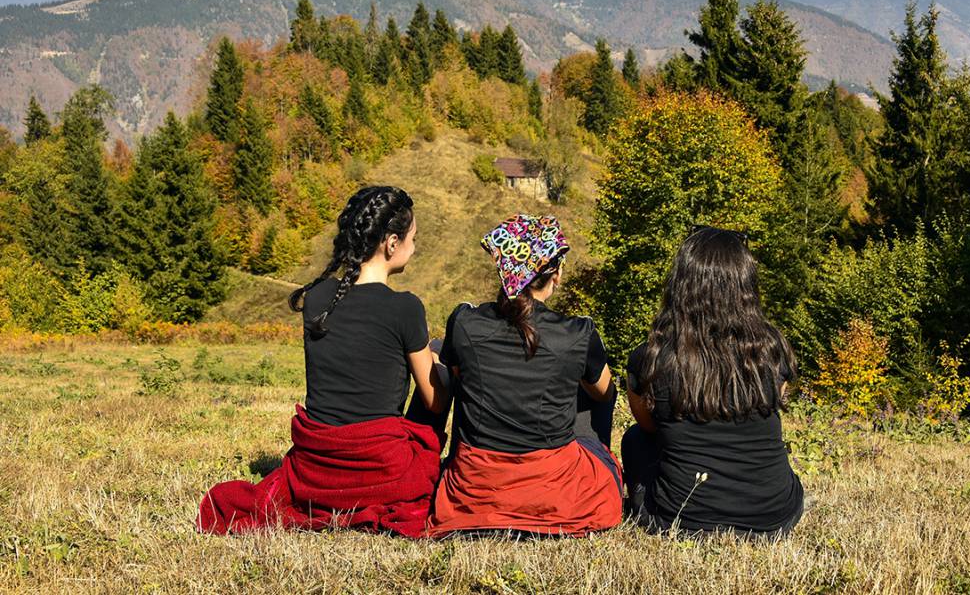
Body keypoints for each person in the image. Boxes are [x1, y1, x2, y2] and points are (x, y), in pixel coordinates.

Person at [197, 186, 450, 537]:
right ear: (392, 243)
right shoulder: (405, 307)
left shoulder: (317, 298)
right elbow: (434, 403)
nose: (414, 247)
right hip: (381, 471)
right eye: (413, 238)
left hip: (315, 472)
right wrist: (440, 361)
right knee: (440, 368)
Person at [428, 214, 622, 537]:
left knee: (468, 378)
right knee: (590, 386)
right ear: (556, 273)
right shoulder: (577, 333)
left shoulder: (464, 322)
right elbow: (605, 392)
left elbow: (459, 377)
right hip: (552, 490)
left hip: (475, 486)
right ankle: (595, 455)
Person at [622, 226, 804, 538]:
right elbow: (774, 400)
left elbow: (650, 426)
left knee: (635, 439)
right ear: (746, 285)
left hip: (681, 518)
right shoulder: (772, 349)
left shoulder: (650, 357)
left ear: (680, 284)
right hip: (774, 515)